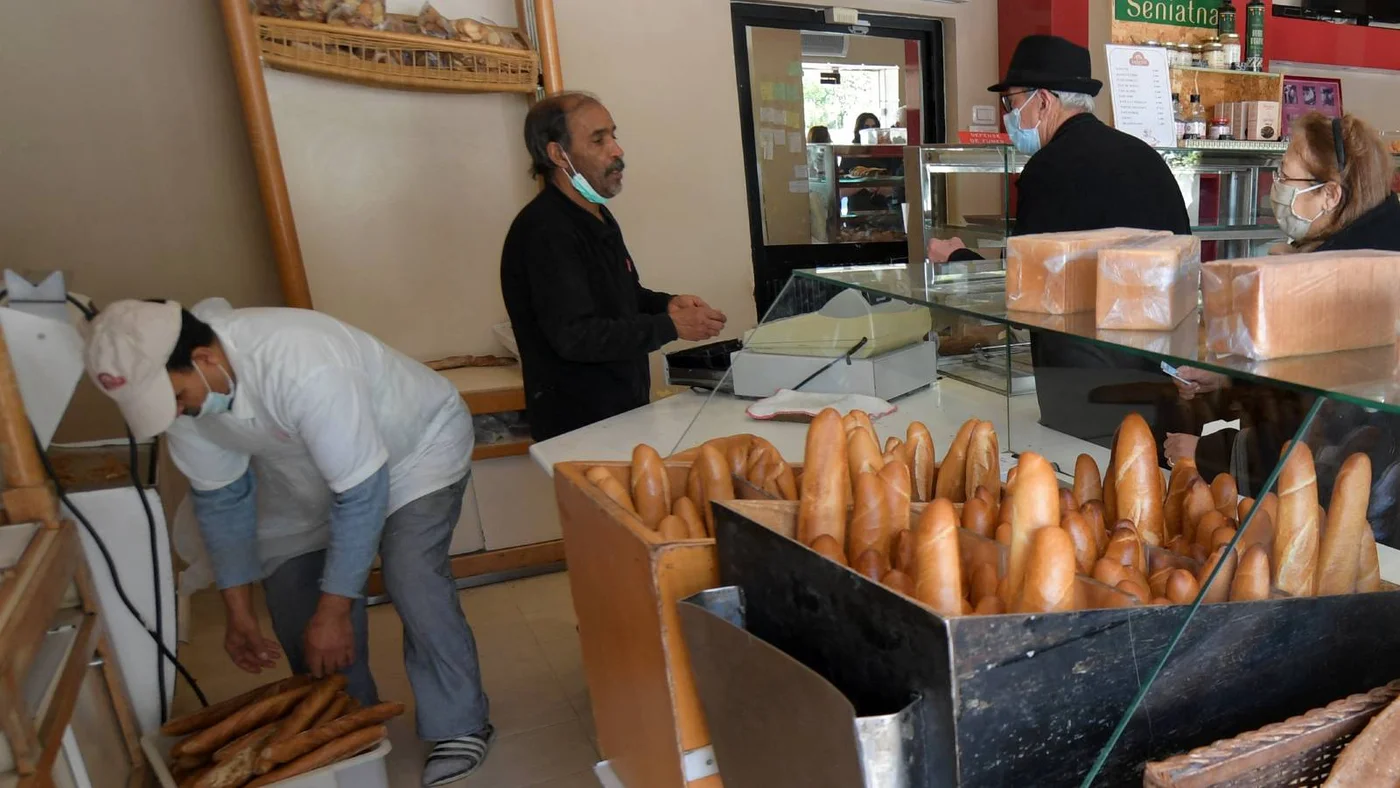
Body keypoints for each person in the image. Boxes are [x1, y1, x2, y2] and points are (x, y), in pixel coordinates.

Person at [85, 299, 494, 787]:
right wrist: (239, 611)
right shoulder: (190, 402)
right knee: (299, 605)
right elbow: (222, 502)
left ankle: (461, 724)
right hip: (306, 478)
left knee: (411, 574)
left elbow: (361, 495)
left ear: (205, 358)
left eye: (175, 396)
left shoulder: (301, 361)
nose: (176, 412)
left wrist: (335, 611)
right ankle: (351, 734)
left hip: (415, 451)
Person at [928, 35, 1192, 452]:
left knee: (1085, 478)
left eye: (1012, 103)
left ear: (1044, 101)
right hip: (1158, 373)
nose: (1009, 115)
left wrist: (957, 257)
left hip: (1085, 382)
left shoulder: (1048, 169)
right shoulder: (1144, 156)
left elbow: (1025, 288)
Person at [1165, 113, 1400, 502]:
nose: (1275, 189)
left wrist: (1209, 453)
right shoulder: (1366, 249)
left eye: (1286, 177)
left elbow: (1312, 425)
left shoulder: (1335, 280)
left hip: (1347, 495)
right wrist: (1229, 378)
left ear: (1330, 195)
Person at [500, 92, 726, 441]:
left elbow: (622, 296)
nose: (617, 150)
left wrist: (666, 304)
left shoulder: (598, 216)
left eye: (613, 135)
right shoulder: (545, 230)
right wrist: (669, 326)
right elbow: (577, 336)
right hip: (578, 427)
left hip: (624, 413)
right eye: (598, 140)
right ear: (558, 154)